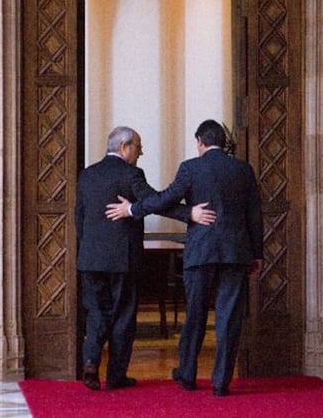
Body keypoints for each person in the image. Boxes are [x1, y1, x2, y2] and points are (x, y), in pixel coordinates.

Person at [106, 119, 263, 397]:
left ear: (200, 142)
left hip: (200, 253)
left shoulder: (191, 168)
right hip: (236, 253)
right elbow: (254, 214)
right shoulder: (243, 169)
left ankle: (188, 374)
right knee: (228, 318)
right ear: (223, 142)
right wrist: (257, 254)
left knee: (196, 315)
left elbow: (166, 198)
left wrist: (133, 209)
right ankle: (221, 383)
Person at [75, 125, 216, 392]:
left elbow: (78, 219)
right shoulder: (132, 174)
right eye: (138, 147)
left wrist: (88, 249)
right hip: (123, 259)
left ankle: (91, 362)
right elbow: (156, 201)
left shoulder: (87, 176)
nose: (141, 152)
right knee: (123, 317)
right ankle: (116, 376)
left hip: (90, 259)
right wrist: (190, 214)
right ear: (124, 147)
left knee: (96, 313)